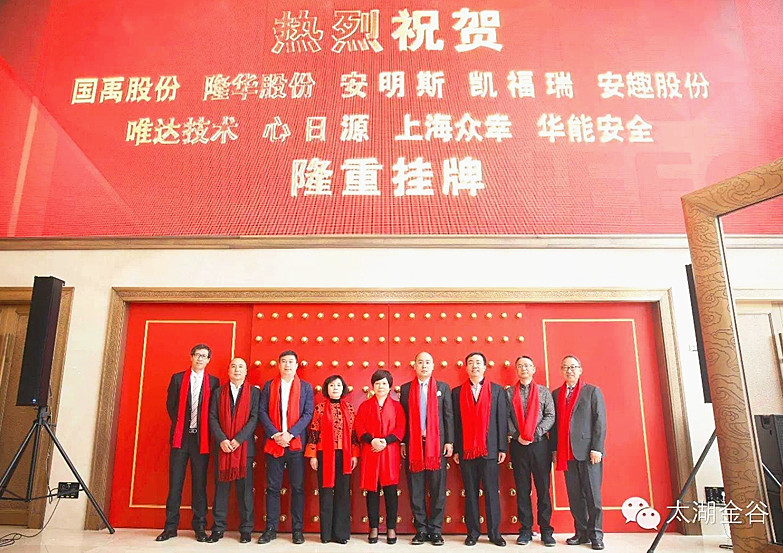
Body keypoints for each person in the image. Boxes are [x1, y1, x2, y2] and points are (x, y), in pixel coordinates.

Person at [157, 344, 221, 542]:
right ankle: (170, 527)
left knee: (199, 485)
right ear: (191, 357)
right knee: (175, 483)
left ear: (208, 360)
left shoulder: (213, 382)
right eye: (197, 355)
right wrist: (182, 425)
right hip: (181, 437)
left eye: (204, 356)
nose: (200, 359)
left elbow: (214, 410)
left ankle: (200, 527)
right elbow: (171, 406)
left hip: (201, 439)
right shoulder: (177, 379)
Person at [257, 350, 314, 545]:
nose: (287, 365)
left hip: (295, 444)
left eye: (291, 362)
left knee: (297, 488)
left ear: (297, 365)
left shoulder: (305, 387)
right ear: (279, 365)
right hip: (274, 443)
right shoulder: (269, 386)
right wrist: (275, 434)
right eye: (284, 361)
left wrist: (291, 434)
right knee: (273, 488)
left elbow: (308, 414)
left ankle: (297, 530)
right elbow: (262, 411)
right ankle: (270, 529)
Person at [550, 355, 607, 551]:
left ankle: (596, 535)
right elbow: (555, 425)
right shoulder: (556, 394)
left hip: (589, 452)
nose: (570, 370)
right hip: (566, 452)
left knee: (593, 496)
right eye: (566, 367)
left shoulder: (592, 391)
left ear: (580, 370)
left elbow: (600, 422)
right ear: (561, 371)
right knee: (575, 496)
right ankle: (581, 532)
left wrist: (597, 448)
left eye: (573, 367)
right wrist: (555, 449)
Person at [452, 351, 508, 547]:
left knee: (492, 492)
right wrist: (457, 449)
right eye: (470, 363)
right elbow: (455, 424)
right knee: (470, 492)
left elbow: (501, 420)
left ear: (485, 367)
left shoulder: (497, 391)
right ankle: (473, 533)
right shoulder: (457, 392)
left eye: (478, 362)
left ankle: (494, 533)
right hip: (466, 450)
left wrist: (502, 447)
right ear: (466, 368)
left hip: (490, 449)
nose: (474, 366)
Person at [399, 352, 454, 546]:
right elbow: (402, 418)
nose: (424, 365)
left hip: (437, 445)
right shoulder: (406, 389)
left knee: (438, 488)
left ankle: (436, 530)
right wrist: (403, 442)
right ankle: (421, 530)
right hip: (414, 445)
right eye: (420, 362)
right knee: (416, 488)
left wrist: (449, 442)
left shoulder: (443, 388)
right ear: (414, 366)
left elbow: (448, 416)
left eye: (427, 362)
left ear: (433, 366)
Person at [207, 357, 260, 543]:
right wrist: (222, 439)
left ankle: (246, 529)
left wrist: (238, 439)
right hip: (223, 448)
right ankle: (218, 528)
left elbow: (254, 418)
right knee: (221, 490)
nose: (237, 370)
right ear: (228, 370)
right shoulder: (218, 392)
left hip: (244, 448)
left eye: (241, 367)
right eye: (234, 366)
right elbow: (212, 417)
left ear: (246, 371)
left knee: (245, 492)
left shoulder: (254, 393)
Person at [506, 356, 556, 547]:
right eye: (520, 366)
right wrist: (516, 434)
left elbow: (550, 415)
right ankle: (525, 530)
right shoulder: (509, 393)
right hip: (518, 445)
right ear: (516, 370)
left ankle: (546, 530)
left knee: (543, 490)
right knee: (522, 489)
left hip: (540, 445)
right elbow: (506, 417)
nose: (524, 368)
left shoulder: (544, 392)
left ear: (533, 369)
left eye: (527, 365)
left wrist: (535, 433)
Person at [305, 374, 359, 544]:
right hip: (324, 454)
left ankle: (340, 534)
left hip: (345, 454)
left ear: (343, 389)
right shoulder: (320, 408)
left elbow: (354, 434)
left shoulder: (349, 409)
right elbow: (313, 432)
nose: (335, 388)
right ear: (326, 389)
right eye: (331, 385)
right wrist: (313, 455)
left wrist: (355, 454)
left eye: (338, 385)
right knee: (326, 493)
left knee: (343, 493)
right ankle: (326, 534)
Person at [355, 369, 406, 545]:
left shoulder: (397, 406)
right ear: (373, 386)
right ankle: (374, 527)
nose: (381, 386)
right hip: (370, 450)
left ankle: (391, 527)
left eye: (384, 383)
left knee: (391, 491)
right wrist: (372, 440)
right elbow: (359, 427)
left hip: (390, 452)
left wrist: (386, 441)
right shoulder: (365, 406)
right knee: (372, 490)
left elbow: (401, 428)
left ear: (390, 386)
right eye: (377, 383)